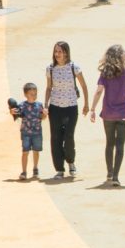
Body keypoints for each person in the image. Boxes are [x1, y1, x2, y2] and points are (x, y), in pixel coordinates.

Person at [90, 45, 125, 187]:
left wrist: (92, 109)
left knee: (109, 143)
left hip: (108, 113)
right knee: (120, 145)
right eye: (124, 52)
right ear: (120, 56)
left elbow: (99, 91)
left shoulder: (106, 72)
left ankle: (109, 173)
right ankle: (116, 176)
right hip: (123, 113)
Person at [44, 41, 90, 179]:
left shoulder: (74, 67)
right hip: (55, 107)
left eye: (60, 51)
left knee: (69, 136)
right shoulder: (50, 68)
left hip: (71, 106)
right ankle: (59, 169)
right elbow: (48, 88)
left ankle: (71, 162)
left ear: (66, 53)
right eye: (56, 51)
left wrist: (86, 104)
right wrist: (46, 105)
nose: (58, 54)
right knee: (56, 138)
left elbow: (84, 86)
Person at [10, 83, 47, 180]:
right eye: (31, 94)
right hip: (25, 132)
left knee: (36, 151)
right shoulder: (21, 105)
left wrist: (45, 114)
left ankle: (35, 168)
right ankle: (24, 171)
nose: (34, 96)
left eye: (35, 94)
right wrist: (12, 112)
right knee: (25, 152)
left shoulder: (39, 105)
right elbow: (16, 114)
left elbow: (42, 118)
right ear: (26, 94)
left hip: (37, 132)